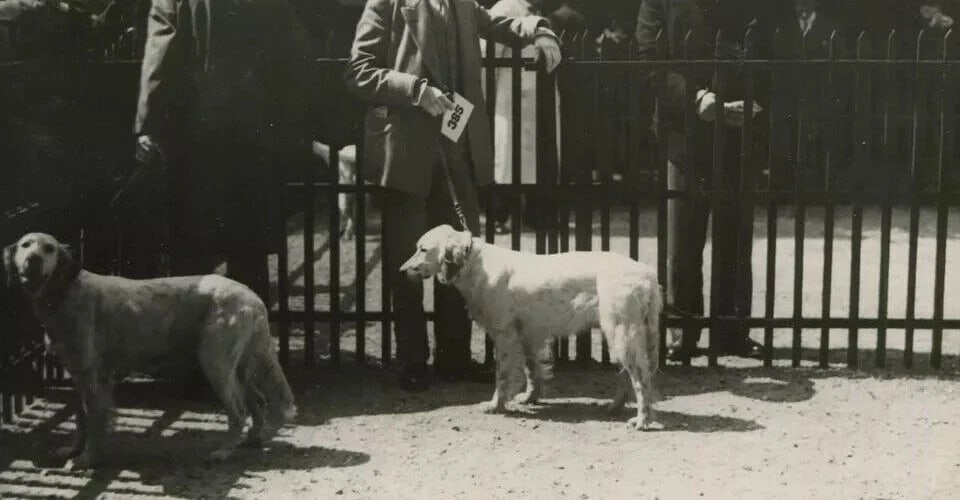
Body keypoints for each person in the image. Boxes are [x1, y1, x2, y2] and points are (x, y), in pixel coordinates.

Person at [344, 0, 561, 391]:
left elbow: (499, 24)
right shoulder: (385, 3)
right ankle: (412, 361)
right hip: (405, 153)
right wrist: (415, 90)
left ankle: (454, 358)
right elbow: (358, 71)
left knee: (459, 259)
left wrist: (538, 29)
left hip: (456, 151)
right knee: (409, 263)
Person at [134, 0, 315, 301]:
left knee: (192, 254)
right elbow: (296, 55)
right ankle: (249, 328)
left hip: (193, 135)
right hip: (252, 132)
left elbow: (160, 57)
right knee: (249, 252)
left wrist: (148, 124)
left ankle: (193, 329)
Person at [635, 0, 769, 361]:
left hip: (739, 134)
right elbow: (648, 62)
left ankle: (731, 332)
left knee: (735, 241)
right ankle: (683, 333)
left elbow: (771, 52)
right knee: (683, 243)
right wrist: (695, 97)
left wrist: (754, 99)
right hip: (685, 136)